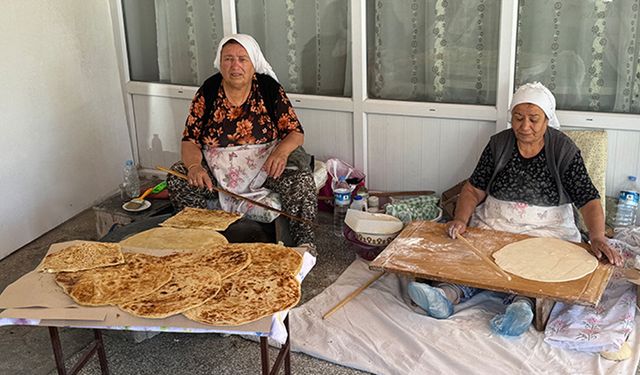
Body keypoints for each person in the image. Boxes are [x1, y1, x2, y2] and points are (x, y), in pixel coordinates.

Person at [407, 82, 623, 337]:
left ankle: (522, 306)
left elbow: (588, 199)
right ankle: (445, 296)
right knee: (474, 257)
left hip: (547, 229)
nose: (524, 126)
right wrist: (461, 219)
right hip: (496, 222)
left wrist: (597, 236)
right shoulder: (499, 144)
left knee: (543, 269)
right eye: (518, 118)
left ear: (547, 120)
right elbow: (473, 189)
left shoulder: (563, 150)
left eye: (534, 119)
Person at [166, 34, 317, 247]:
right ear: (220, 63)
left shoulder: (268, 89)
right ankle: (200, 240)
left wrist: (281, 153)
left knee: (300, 181)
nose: (235, 65)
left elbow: (295, 132)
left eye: (242, 59)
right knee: (178, 177)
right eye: (228, 59)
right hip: (217, 171)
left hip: (264, 167)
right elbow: (190, 139)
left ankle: (304, 246)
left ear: (253, 63)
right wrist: (193, 166)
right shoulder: (208, 91)